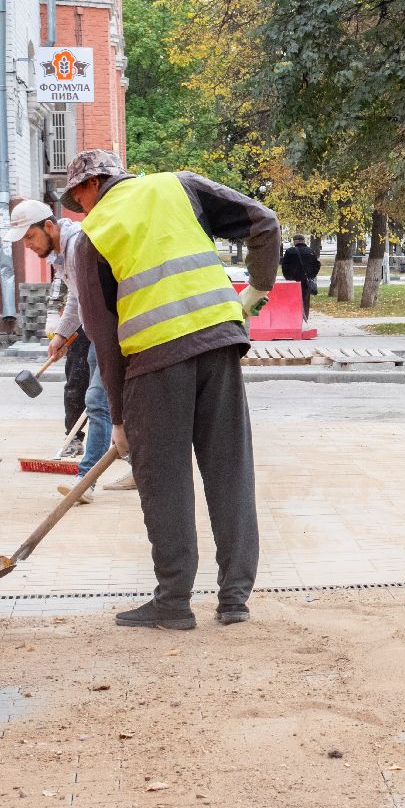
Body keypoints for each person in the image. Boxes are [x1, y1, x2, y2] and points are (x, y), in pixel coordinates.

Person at [64, 149, 280, 630]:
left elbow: (103, 335)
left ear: (90, 185)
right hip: (219, 343)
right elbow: (265, 223)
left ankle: (174, 603)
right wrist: (256, 292)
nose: (80, 209)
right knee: (230, 472)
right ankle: (234, 601)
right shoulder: (178, 185)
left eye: (78, 199)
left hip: (154, 363)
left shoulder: (90, 239)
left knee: (165, 484)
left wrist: (118, 419)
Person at [1, 200, 131, 500]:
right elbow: (76, 299)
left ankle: (86, 480)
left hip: (114, 335)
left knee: (97, 401)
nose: (29, 246)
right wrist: (61, 334)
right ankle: (139, 467)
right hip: (99, 335)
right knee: (116, 406)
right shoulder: (62, 255)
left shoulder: (80, 247)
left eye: (30, 237)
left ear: (49, 226)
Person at [280, 235, 322, 322]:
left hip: (294, 281)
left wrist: (288, 277)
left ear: (295, 241)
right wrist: (311, 276)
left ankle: (294, 318)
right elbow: (317, 265)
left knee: (294, 299)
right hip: (306, 281)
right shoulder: (311, 251)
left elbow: (285, 266)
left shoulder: (290, 251)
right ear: (303, 241)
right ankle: (305, 316)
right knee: (305, 299)